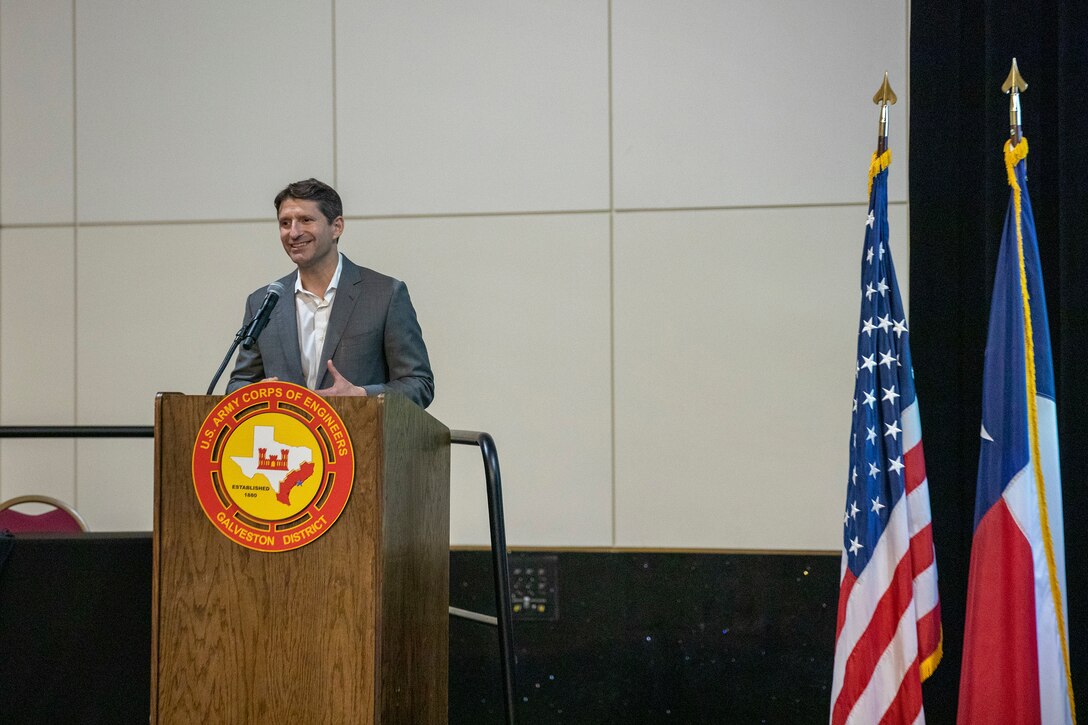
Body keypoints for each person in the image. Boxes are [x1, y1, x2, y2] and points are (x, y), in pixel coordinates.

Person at [227, 178, 434, 408]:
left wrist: (362, 395)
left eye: (306, 220)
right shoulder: (263, 302)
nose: (293, 233)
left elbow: (419, 384)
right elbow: (239, 382)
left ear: (337, 227)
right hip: (285, 439)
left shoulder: (385, 295)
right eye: (285, 223)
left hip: (357, 440)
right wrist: (255, 393)